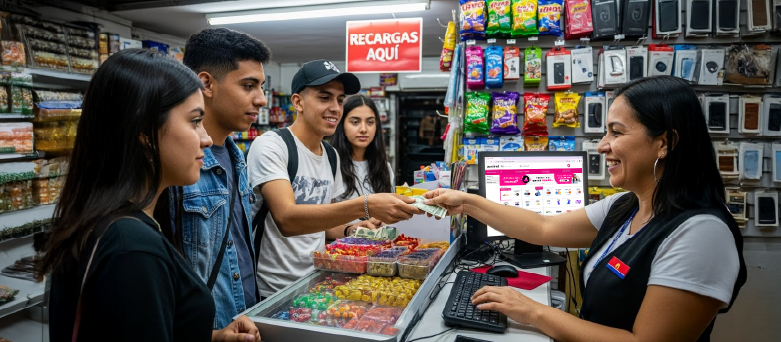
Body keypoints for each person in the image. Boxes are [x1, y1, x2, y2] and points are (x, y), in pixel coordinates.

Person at [423, 76, 747, 342]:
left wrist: (534, 311)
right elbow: (543, 228)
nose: (602, 145)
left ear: (664, 143)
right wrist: (466, 201)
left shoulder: (702, 233)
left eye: (616, 132)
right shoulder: (626, 205)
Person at [40, 49, 260, 342]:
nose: (206, 139)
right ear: (145, 131)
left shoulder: (106, 222)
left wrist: (213, 337)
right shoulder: (132, 248)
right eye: (195, 121)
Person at [247, 59, 422, 298]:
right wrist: (366, 205)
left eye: (340, 100)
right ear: (298, 102)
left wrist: (352, 229)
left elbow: (322, 222)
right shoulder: (271, 145)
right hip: (271, 290)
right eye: (324, 97)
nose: (335, 108)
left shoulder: (330, 156)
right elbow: (287, 220)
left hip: (317, 279)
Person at [154, 28, 271, 329]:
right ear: (206, 83)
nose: (261, 99)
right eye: (249, 86)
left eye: (261, 86)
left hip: (246, 316)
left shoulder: (236, 157)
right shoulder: (176, 167)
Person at [330, 94, 395, 203]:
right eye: (355, 122)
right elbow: (324, 216)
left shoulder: (384, 167)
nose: (364, 129)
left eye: (370, 122)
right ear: (342, 125)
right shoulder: (330, 165)